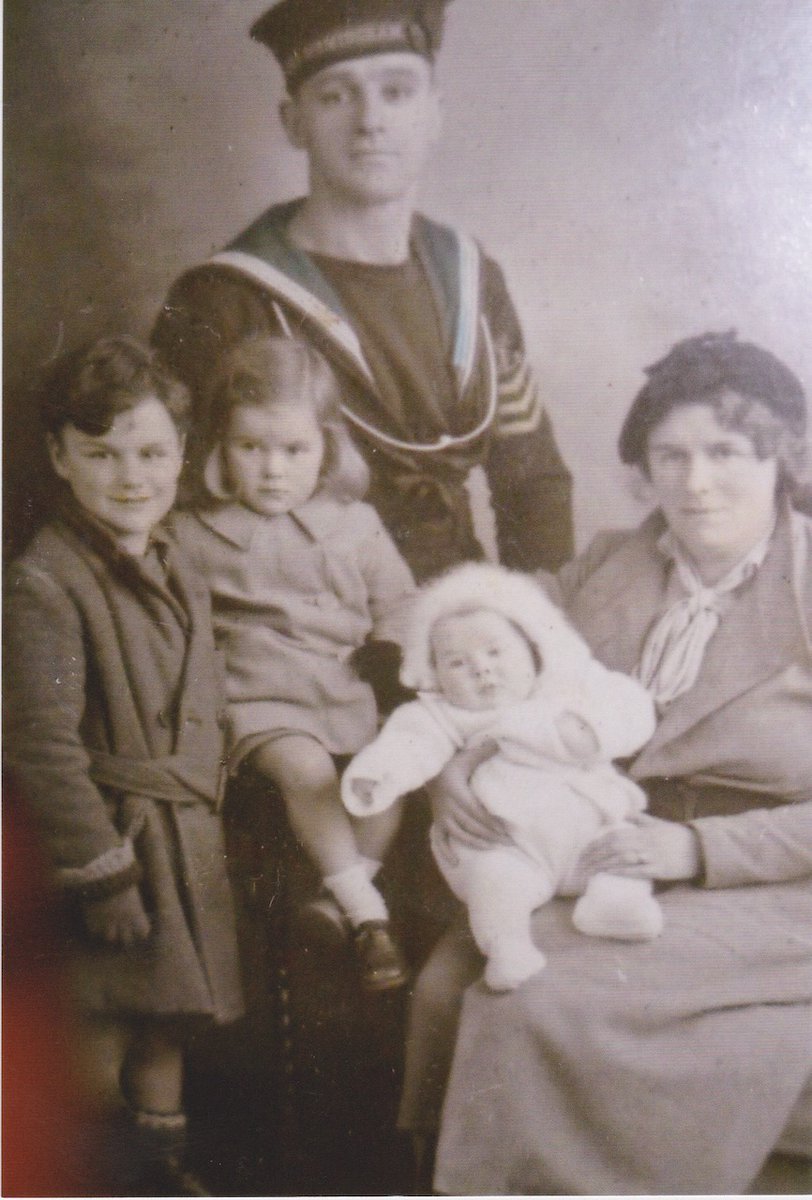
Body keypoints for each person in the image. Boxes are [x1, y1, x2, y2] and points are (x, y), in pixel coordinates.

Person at [398, 330, 812, 1195]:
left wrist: (699, 852)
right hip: (587, 847)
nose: (695, 483)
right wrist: (448, 763)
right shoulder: (606, 566)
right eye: (672, 456)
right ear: (642, 469)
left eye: (726, 453)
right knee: (448, 986)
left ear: (784, 458)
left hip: (766, 880)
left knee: (536, 1005)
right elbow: (467, 655)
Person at [151, 0, 574, 585]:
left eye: (396, 92)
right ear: (293, 121)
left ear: (434, 114)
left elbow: (531, 480)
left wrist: (533, 626)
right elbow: (175, 508)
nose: (369, 121)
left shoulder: (474, 278)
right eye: (335, 96)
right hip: (300, 632)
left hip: (460, 628)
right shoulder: (226, 298)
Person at [3, 337, 244, 1195]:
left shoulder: (177, 558)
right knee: (101, 1028)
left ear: (183, 453)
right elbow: (41, 747)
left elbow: (203, 690)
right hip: (110, 848)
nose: (130, 475)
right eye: (101, 454)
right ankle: (86, 1179)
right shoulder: (46, 584)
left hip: (178, 837)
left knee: (165, 1025)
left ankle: (158, 1175)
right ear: (59, 458)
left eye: (150, 452)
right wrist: (102, 876)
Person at [170, 334, 416, 992]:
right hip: (257, 696)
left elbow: (398, 602)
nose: (273, 470)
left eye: (294, 450)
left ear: (327, 448)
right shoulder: (194, 531)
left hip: (342, 689)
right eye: (251, 448)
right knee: (307, 769)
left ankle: (333, 903)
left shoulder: (355, 524)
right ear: (220, 445)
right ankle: (369, 918)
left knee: (385, 778)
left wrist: (389, 659)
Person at [342, 561, 661, 992]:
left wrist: (593, 733)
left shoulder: (566, 689)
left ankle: (615, 904)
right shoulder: (442, 713)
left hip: (588, 827)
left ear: (533, 648)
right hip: (503, 844)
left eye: (496, 652)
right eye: (457, 663)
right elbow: (408, 743)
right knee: (493, 887)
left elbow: (630, 704)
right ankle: (508, 947)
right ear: (434, 673)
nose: (481, 669)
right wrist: (378, 776)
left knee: (622, 852)